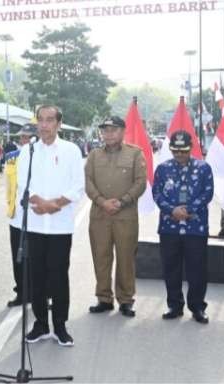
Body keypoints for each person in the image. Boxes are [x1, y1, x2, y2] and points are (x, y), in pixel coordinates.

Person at [16, 105, 84, 346]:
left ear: (58, 124)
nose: (44, 125)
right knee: (37, 276)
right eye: (40, 120)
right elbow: (23, 183)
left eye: (49, 120)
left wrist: (54, 205)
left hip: (60, 227)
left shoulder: (71, 150)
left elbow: (77, 186)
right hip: (35, 224)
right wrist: (40, 203)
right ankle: (41, 324)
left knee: (58, 276)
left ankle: (60, 326)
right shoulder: (29, 151)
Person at [85, 116, 147, 318]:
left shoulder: (135, 153)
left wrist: (122, 201)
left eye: (113, 130)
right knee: (100, 257)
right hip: (99, 215)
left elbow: (140, 182)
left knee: (126, 258)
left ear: (122, 131)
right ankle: (104, 298)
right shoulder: (94, 155)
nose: (108, 134)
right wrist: (102, 201)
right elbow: (88, 182)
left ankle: (126, 300)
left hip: (125, 215)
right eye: (105, 130)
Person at [152, 130, 213, 324]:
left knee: (197, 269)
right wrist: (172, 210)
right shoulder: (162, 168)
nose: (179, 154)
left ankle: (197, 307)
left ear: (191, 148)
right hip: (170, 228)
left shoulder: (204, 168)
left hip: (196, 227)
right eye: (175, 150)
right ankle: (174, 306)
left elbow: (207, 193)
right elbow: (157, 194)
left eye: (183, 150)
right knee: (171, 268)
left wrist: (188, 209)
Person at [3, 124, 35, 307]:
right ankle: (21, 292)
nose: (24, 141)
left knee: (37, 259)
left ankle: (41, 293)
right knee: (18, 257)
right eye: (22, 137)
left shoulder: (39, 157)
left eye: (28, 137)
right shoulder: (11, 158)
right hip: (16, 216)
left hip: (37, 216)